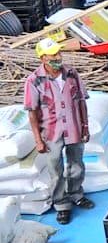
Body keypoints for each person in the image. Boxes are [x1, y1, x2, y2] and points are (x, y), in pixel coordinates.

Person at [24, 38, 93, 225]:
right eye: (52, 54)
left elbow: (81, 102)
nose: (57, 57)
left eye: (58, 53)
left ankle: (77, 194)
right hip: (51, 132)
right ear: (43, 58)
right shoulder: (34, 80)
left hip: (75, 127)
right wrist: (38, 140)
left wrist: (85, 126)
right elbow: (32, 113)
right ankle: (61, 205)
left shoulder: (71, 74)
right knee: (56, 169)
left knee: (76, 164)